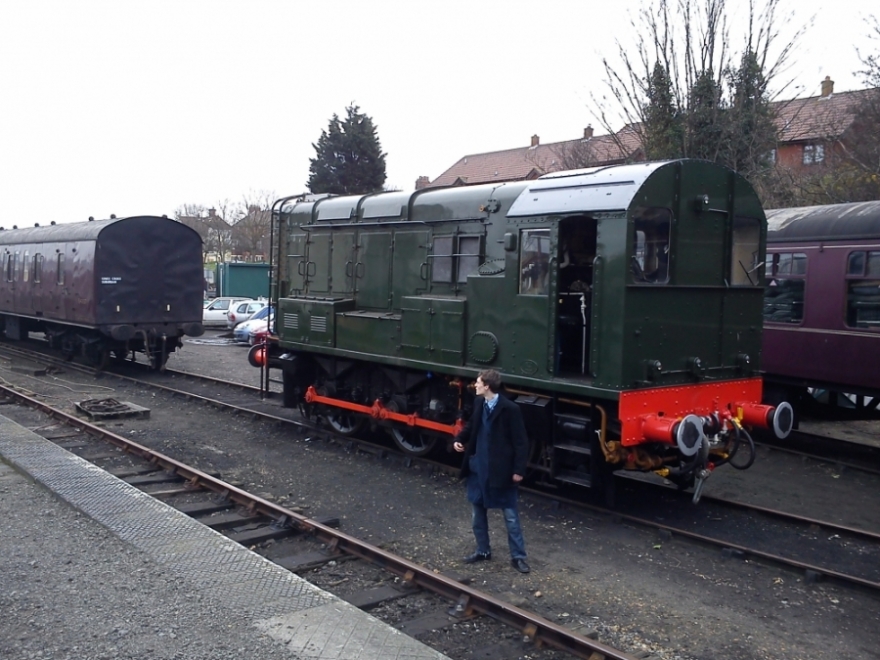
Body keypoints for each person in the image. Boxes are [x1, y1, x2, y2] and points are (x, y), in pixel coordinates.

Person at [453, 369, 530, 573]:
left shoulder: (510, 409)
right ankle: (483, 550)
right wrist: (459, 439)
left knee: (511, 516)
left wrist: (518, 470)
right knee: (477, 513)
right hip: (479, 468)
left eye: (478, 382)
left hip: (501, 472)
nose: (475, 385)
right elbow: (472, 426)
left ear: (487, 386)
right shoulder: (479, 403)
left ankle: (518, 557)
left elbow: (521, 442)